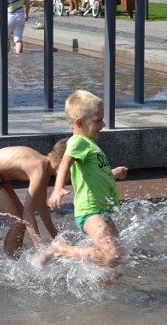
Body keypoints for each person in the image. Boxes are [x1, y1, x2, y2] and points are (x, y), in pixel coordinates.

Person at [42, 90, 129, 267]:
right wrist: (58, 188)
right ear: (79, 123)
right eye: (98, 120)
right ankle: (62, 249)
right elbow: (65, 162)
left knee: (116, 259)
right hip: (91, 210)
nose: (103, 124)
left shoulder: (89, 144)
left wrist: (113, 173)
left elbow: (94, 176)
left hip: (101, 210)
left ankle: (100, 288)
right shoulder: (78, 141)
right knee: (112, 255)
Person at [0, 139, 68, 257]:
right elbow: (28, 214)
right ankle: (11, 262)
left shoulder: (44, 168)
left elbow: (42, 209)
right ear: (62, 163)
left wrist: (55, 237)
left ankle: (15, 257)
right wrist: (40, 248)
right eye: (72, 168)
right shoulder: (39, 169)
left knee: (20, 223)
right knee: (18, 223)